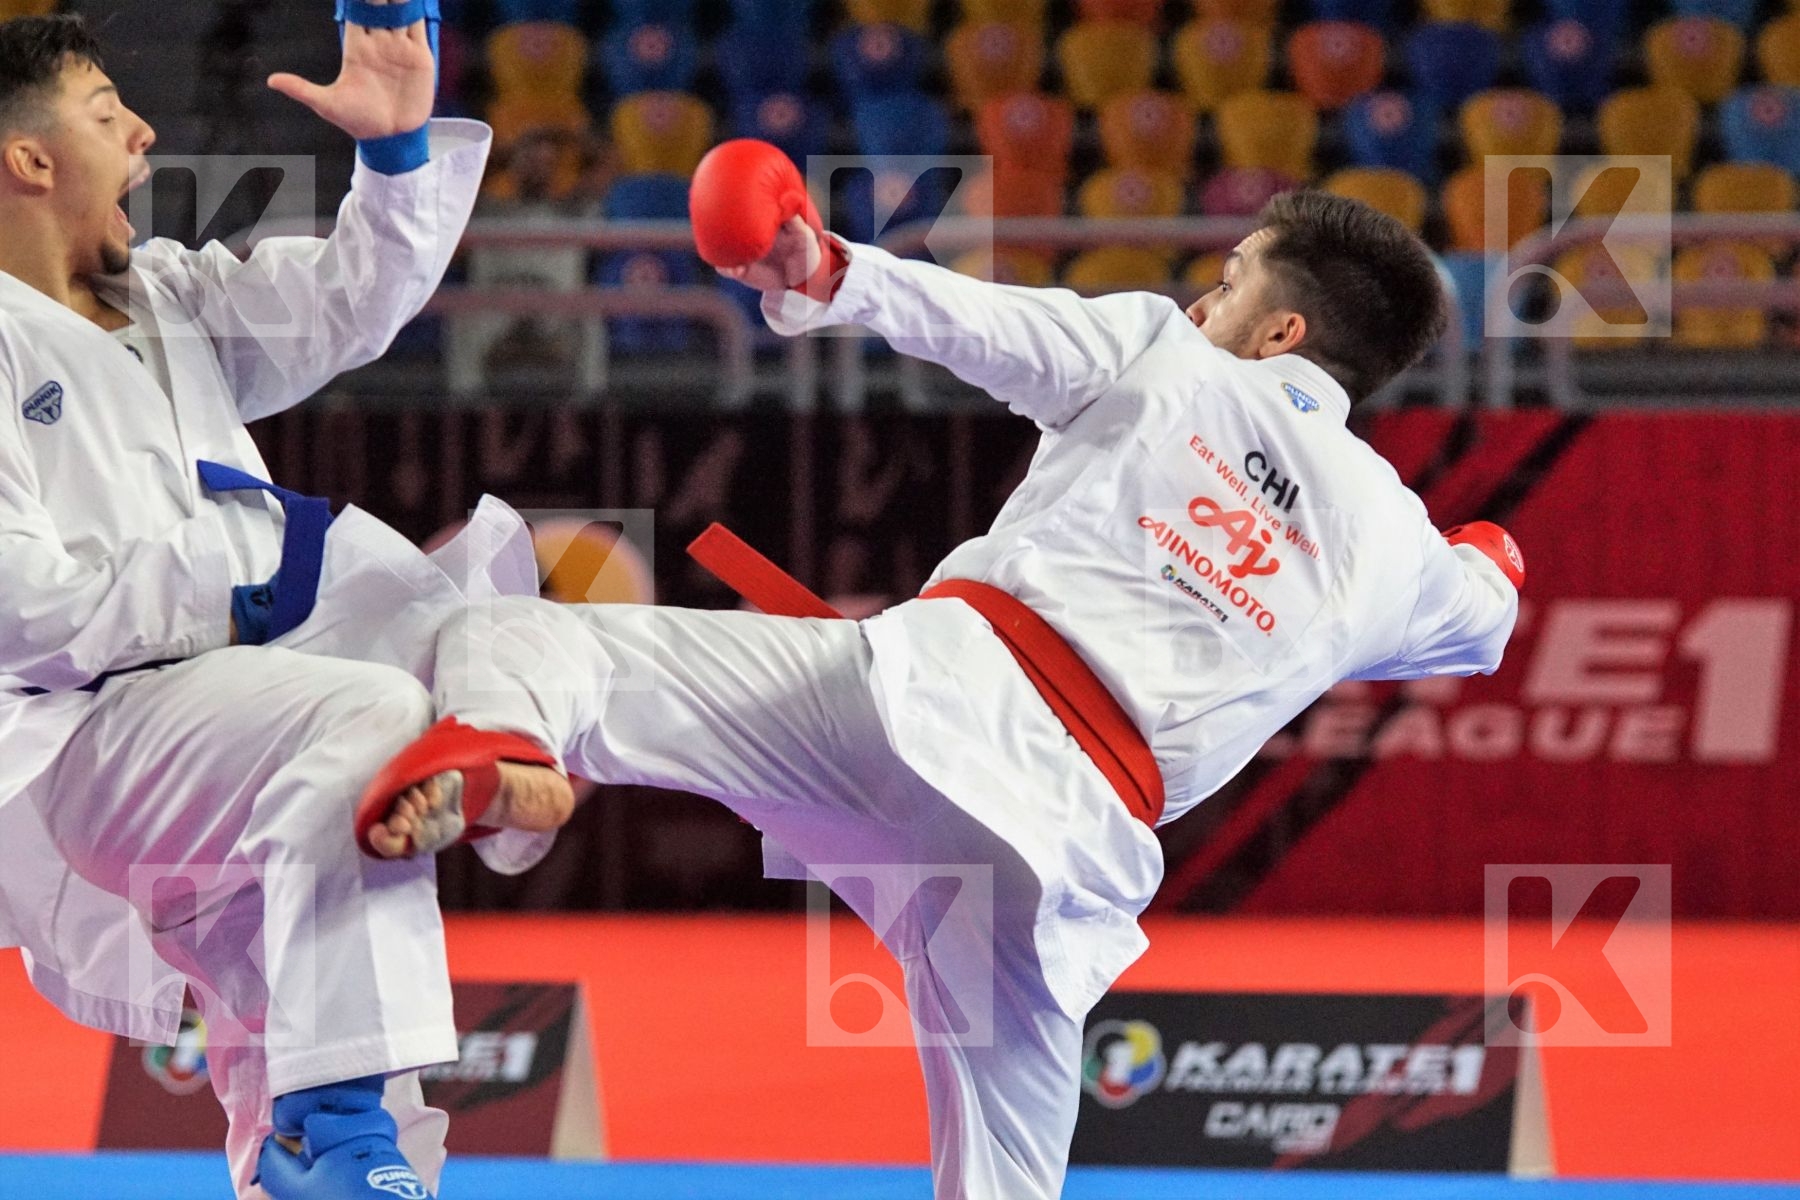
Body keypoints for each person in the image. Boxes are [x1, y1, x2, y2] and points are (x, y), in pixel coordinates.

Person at [358, 139, 1528, 1199]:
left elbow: (984, 323)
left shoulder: (1163, 358)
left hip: (916, 706)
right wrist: (1492, 552)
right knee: (1005, 1187)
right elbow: (1485, 616)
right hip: (1053, 861)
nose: (1200, 297)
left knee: (537, 636)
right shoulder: (1396, 547)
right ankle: (512, 755)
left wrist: (825, 270)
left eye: (1230, 284)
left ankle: (507, 748)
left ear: (1283, 334)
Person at [0, 7, 571, 1197]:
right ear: (29, 159)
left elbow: (349, 301)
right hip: (101, 739)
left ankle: (323, 1146)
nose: (146, 132)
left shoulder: (161, 294)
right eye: (109, 115)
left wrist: (397, 148)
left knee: (354, 1099)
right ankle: (332, 1118)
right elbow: (22, 616)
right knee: (362, 718)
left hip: (240, 726)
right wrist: (234, 578)